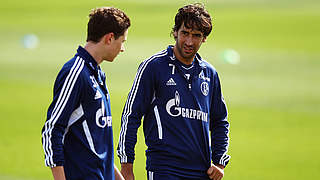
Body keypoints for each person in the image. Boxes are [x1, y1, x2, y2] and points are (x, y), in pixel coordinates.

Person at [117, 3, 230, 180]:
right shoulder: (153, 67)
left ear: (204, 38)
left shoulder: (210, 74)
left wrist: (219, 162)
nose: (189, 42)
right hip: (164, 169)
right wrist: (126, 166)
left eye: (196, 36)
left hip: (202, 171)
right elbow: (131, 116)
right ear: (175, 31)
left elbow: (220, 121)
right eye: (185, 33)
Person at [41, 7, 130, 180]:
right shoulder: (75, 73)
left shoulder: (97, 74)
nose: (122, 49)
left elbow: (98, 145)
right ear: (110, 38)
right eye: (123, 41)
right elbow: (52, 131)